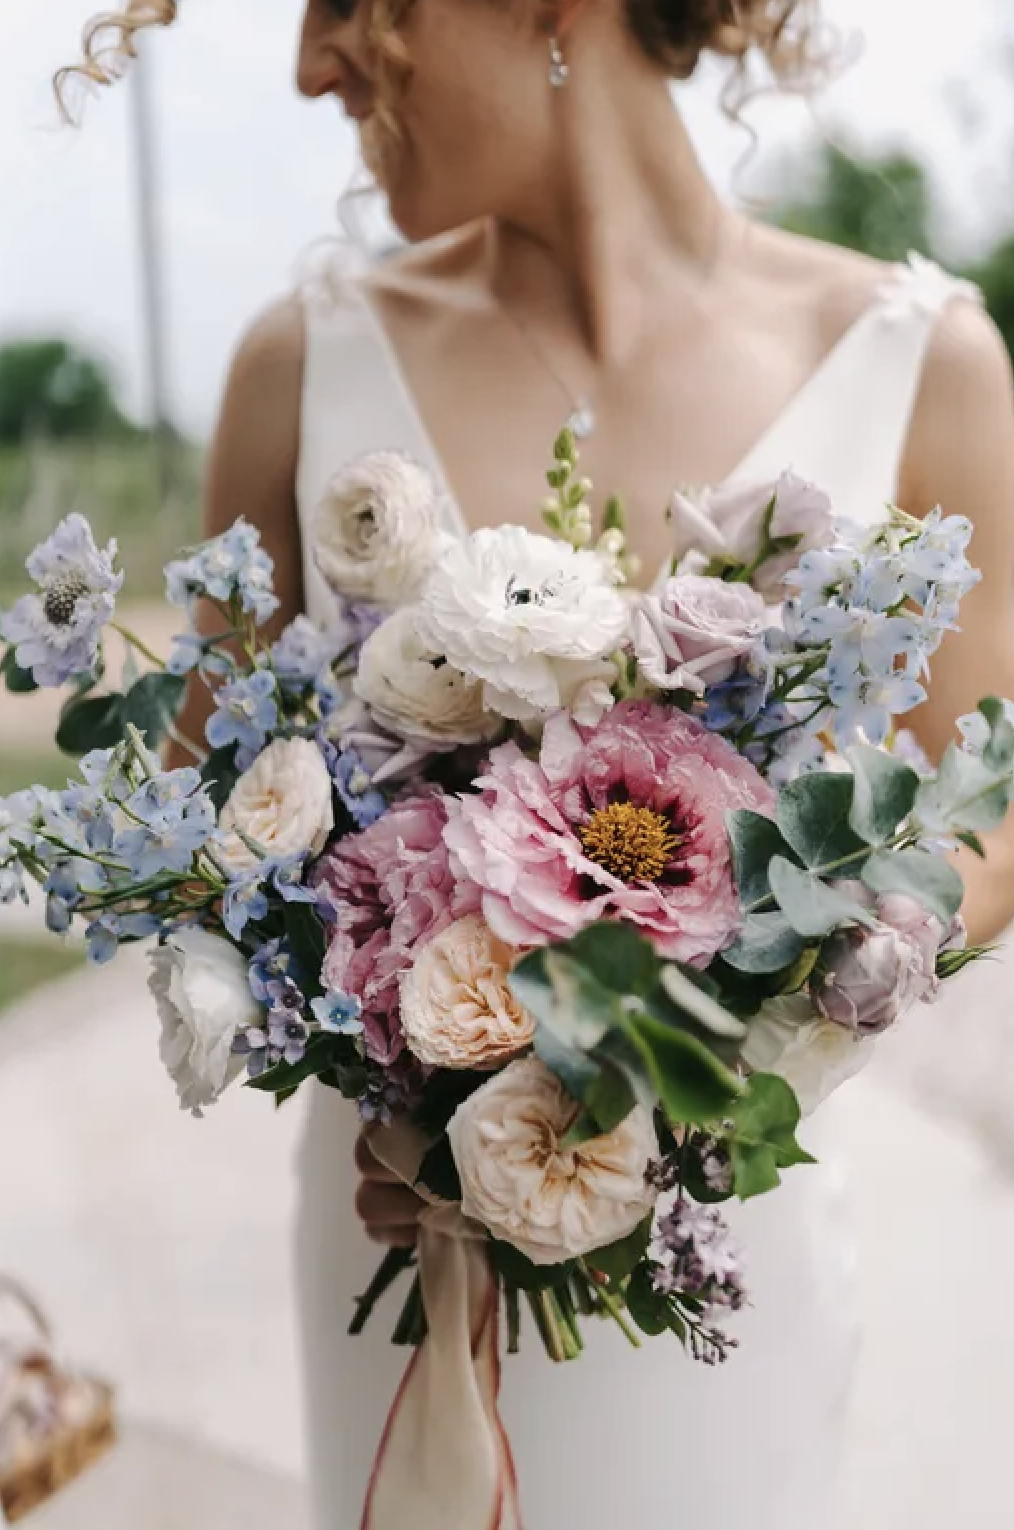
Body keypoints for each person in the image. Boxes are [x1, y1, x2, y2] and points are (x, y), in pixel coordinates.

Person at [69, 1, 1014, 1525]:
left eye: (342, 0)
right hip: (394, 1244)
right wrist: (392, 1052)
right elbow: (208, 836)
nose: (310, 65)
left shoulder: (923, 360)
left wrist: (750, 1011)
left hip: (726, 1264)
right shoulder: (300, 363)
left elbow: (989, 806)